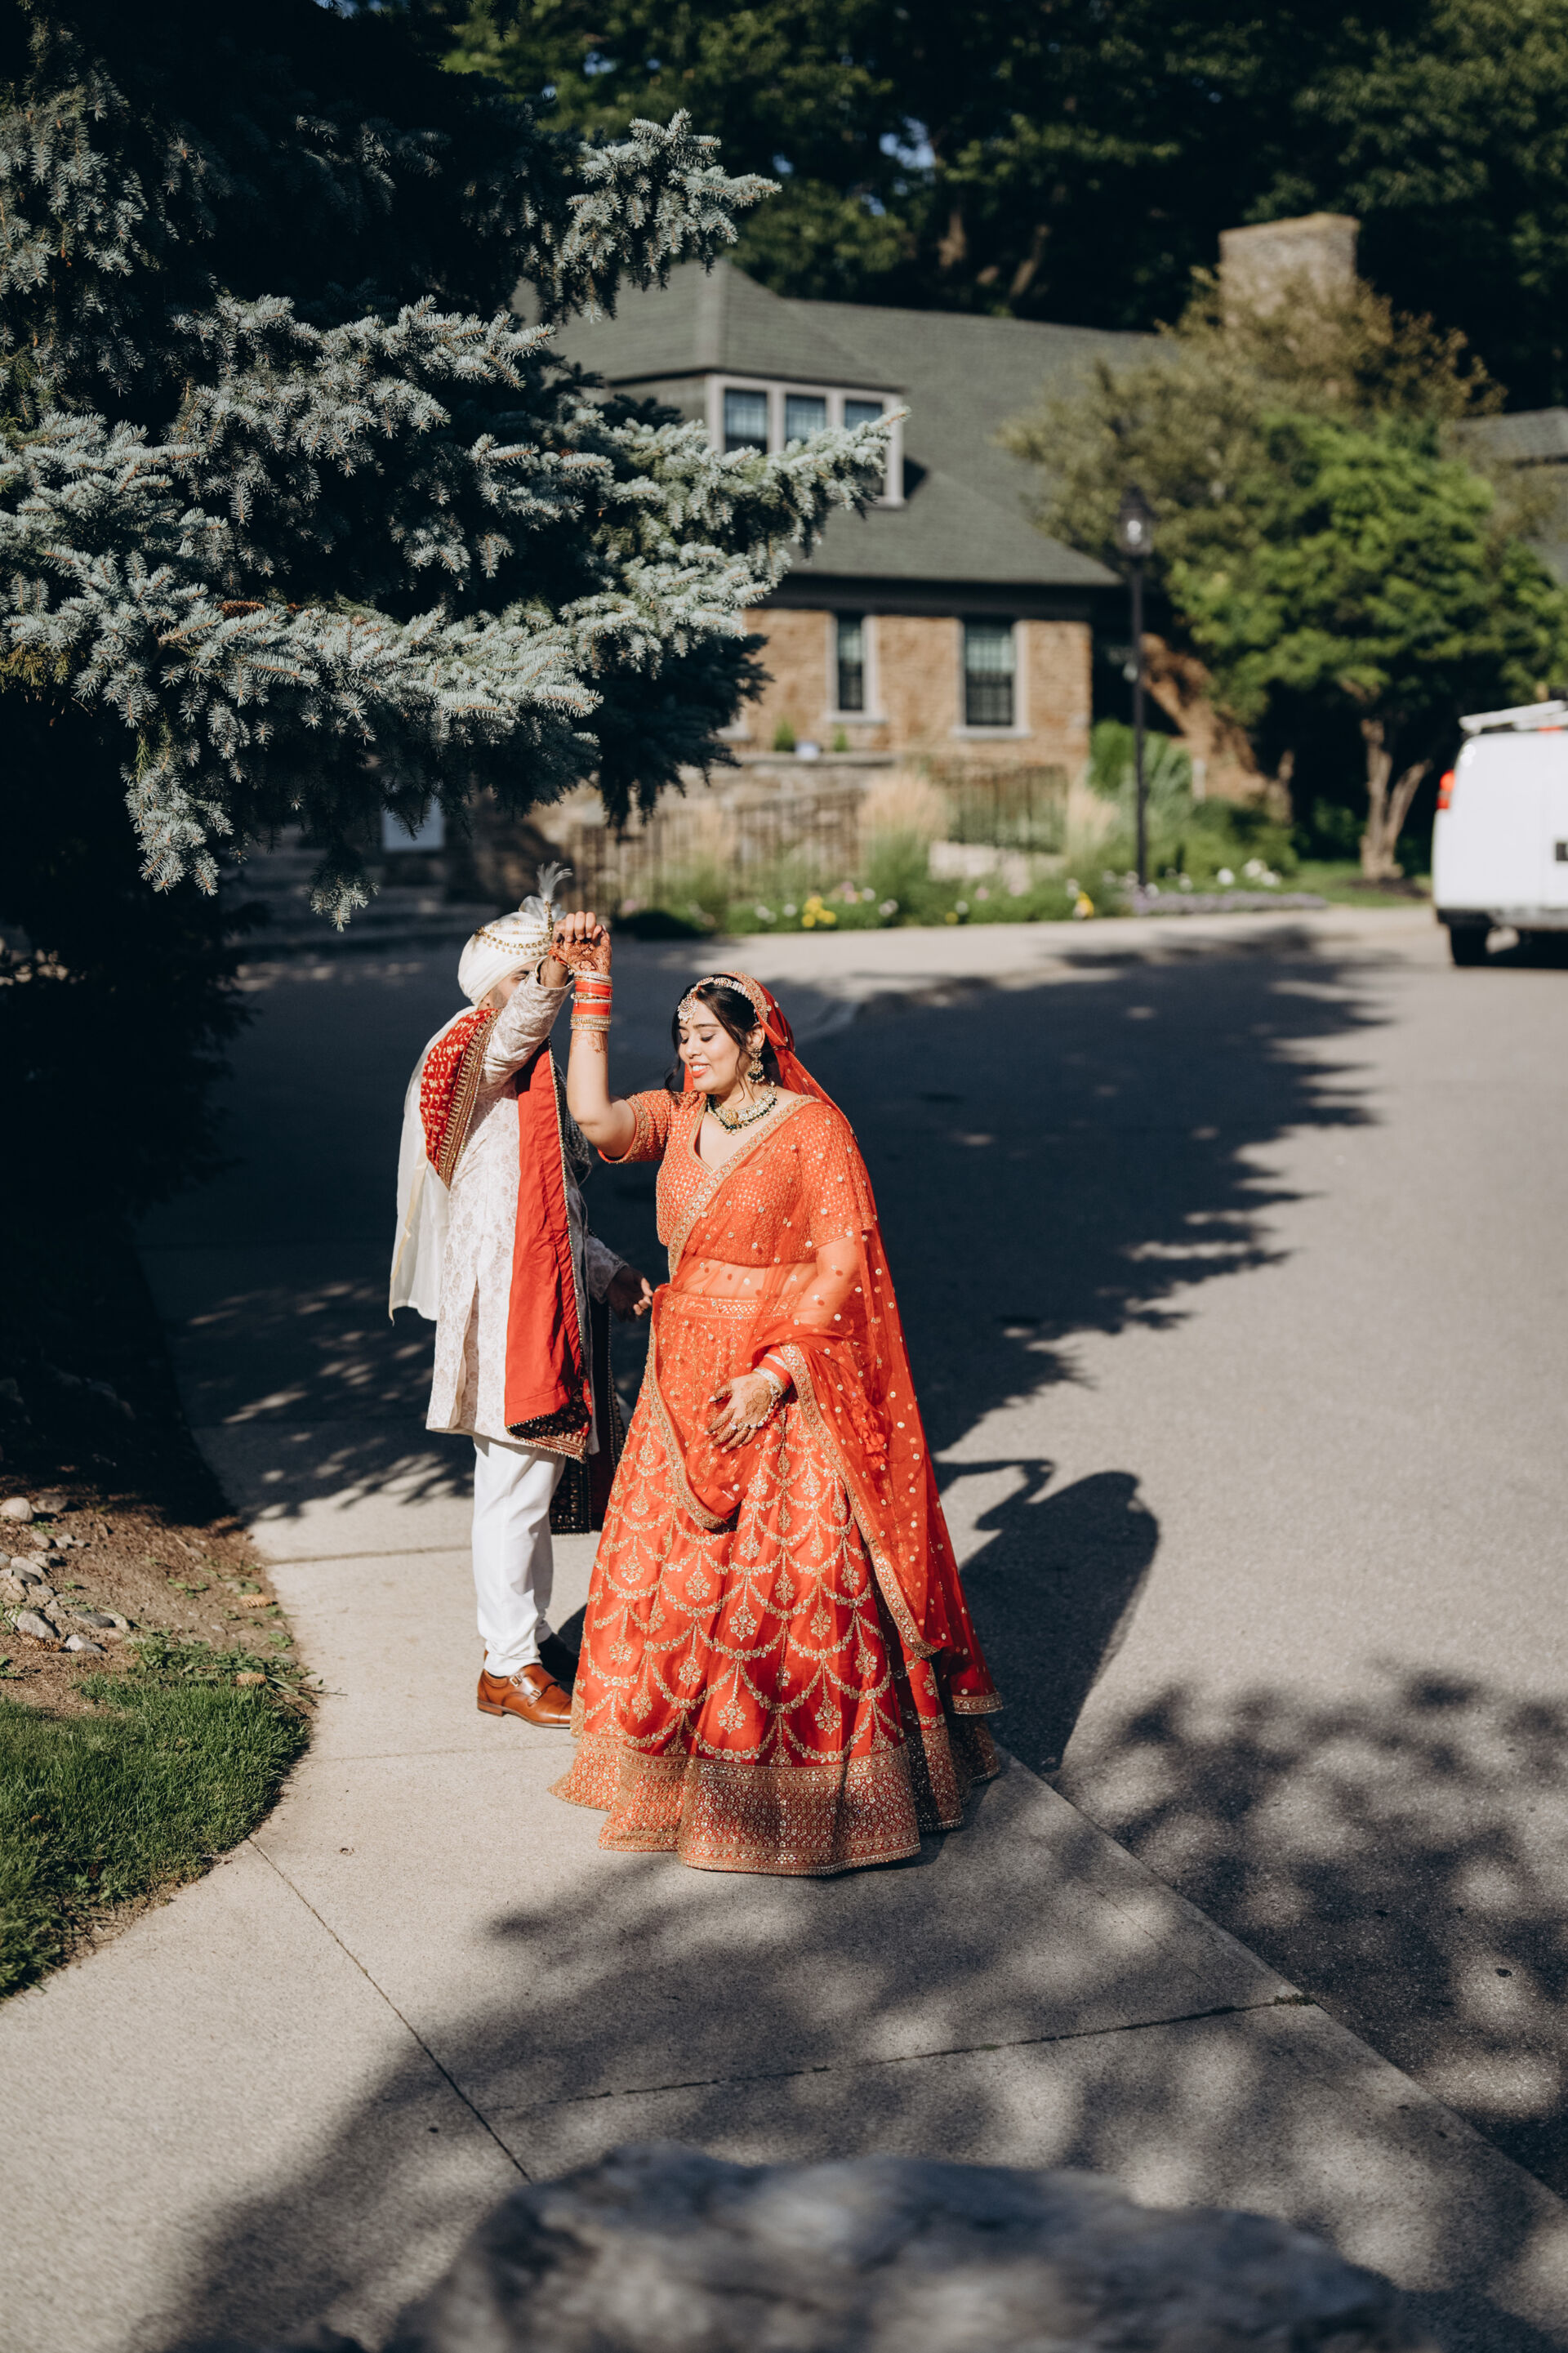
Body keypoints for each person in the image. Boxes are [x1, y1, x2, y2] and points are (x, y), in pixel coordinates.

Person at [547, 913, 1000, 1874]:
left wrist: (775, 1372)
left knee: (789, 1585)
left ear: (755, 1039)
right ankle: (680, 1774)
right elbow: (593, 1119)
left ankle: (812, 1796)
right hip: (680, 1377)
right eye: (681, 1037)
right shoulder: (679, 1118)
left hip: (780, 1382)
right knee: (679, 1583)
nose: (690, 1051)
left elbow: (842, 1266)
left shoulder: (813, 1131)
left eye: (706, 1036)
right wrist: (591, 993)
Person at [390, 871, 653, 1729]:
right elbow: (512, 1033)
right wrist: (554, 976)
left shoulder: (530, 1076)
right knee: (515, 1486)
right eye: (531, 976)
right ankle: (506, 1665)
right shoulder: (468, 1053)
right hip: (505, 1313)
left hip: (537, 1300)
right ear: (498, 986)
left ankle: (527, 1640)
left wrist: (606, 1270)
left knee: (531, 1484)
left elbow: (553, 1211)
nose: (548, 990)